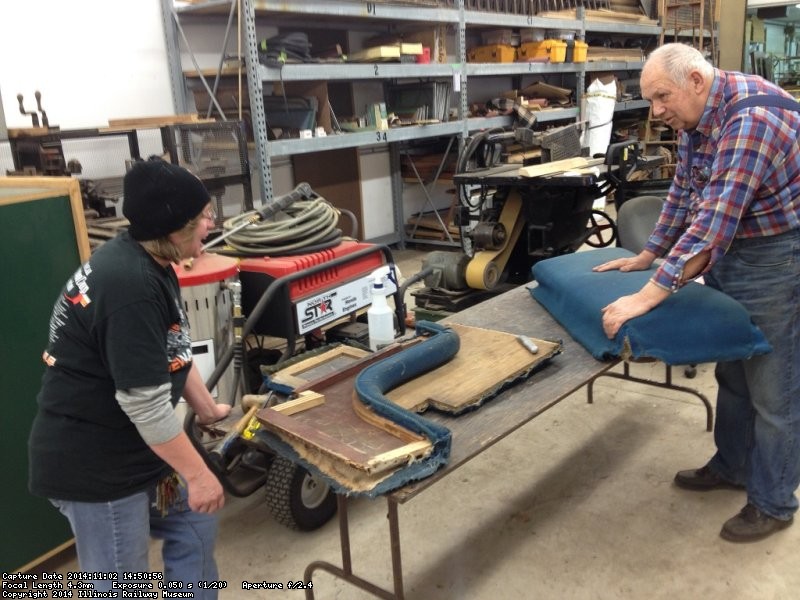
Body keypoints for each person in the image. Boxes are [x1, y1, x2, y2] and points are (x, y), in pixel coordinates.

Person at [593, 43, 800, 542]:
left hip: (777, 251)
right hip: (737, 245)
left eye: (661, 96)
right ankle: (731, 466)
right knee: (732, 368)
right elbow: (685, 194)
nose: (656, 110)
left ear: (695, 81)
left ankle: (773, 501)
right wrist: (649, 254)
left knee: (773, 386)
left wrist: (647, 295)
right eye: (649, 99)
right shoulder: (696, 118)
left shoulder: (752, 119)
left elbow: (711, 226)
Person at [28, 157, 232, 593]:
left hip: (135, 450)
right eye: (202, 219)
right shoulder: (130, 287)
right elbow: (146, 406)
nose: (209, 226)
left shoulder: (154, 260)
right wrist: (196, 475)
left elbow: (172, 352)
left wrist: (208, 408)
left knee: (195, 520)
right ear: (173, 227)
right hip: (96, 465)